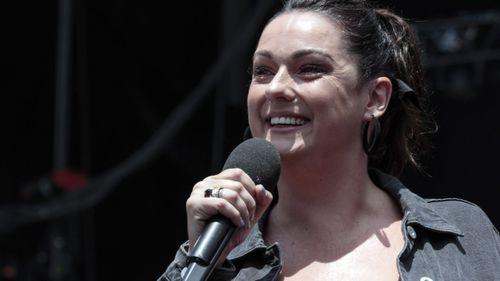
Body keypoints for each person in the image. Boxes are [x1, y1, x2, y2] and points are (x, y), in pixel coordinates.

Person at [158, 0, 500, 280]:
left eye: (309, 68)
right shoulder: (214, 258)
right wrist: (209, 266)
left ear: (375, 98)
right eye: (262, 71)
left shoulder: (463, 236)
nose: (275, 87)